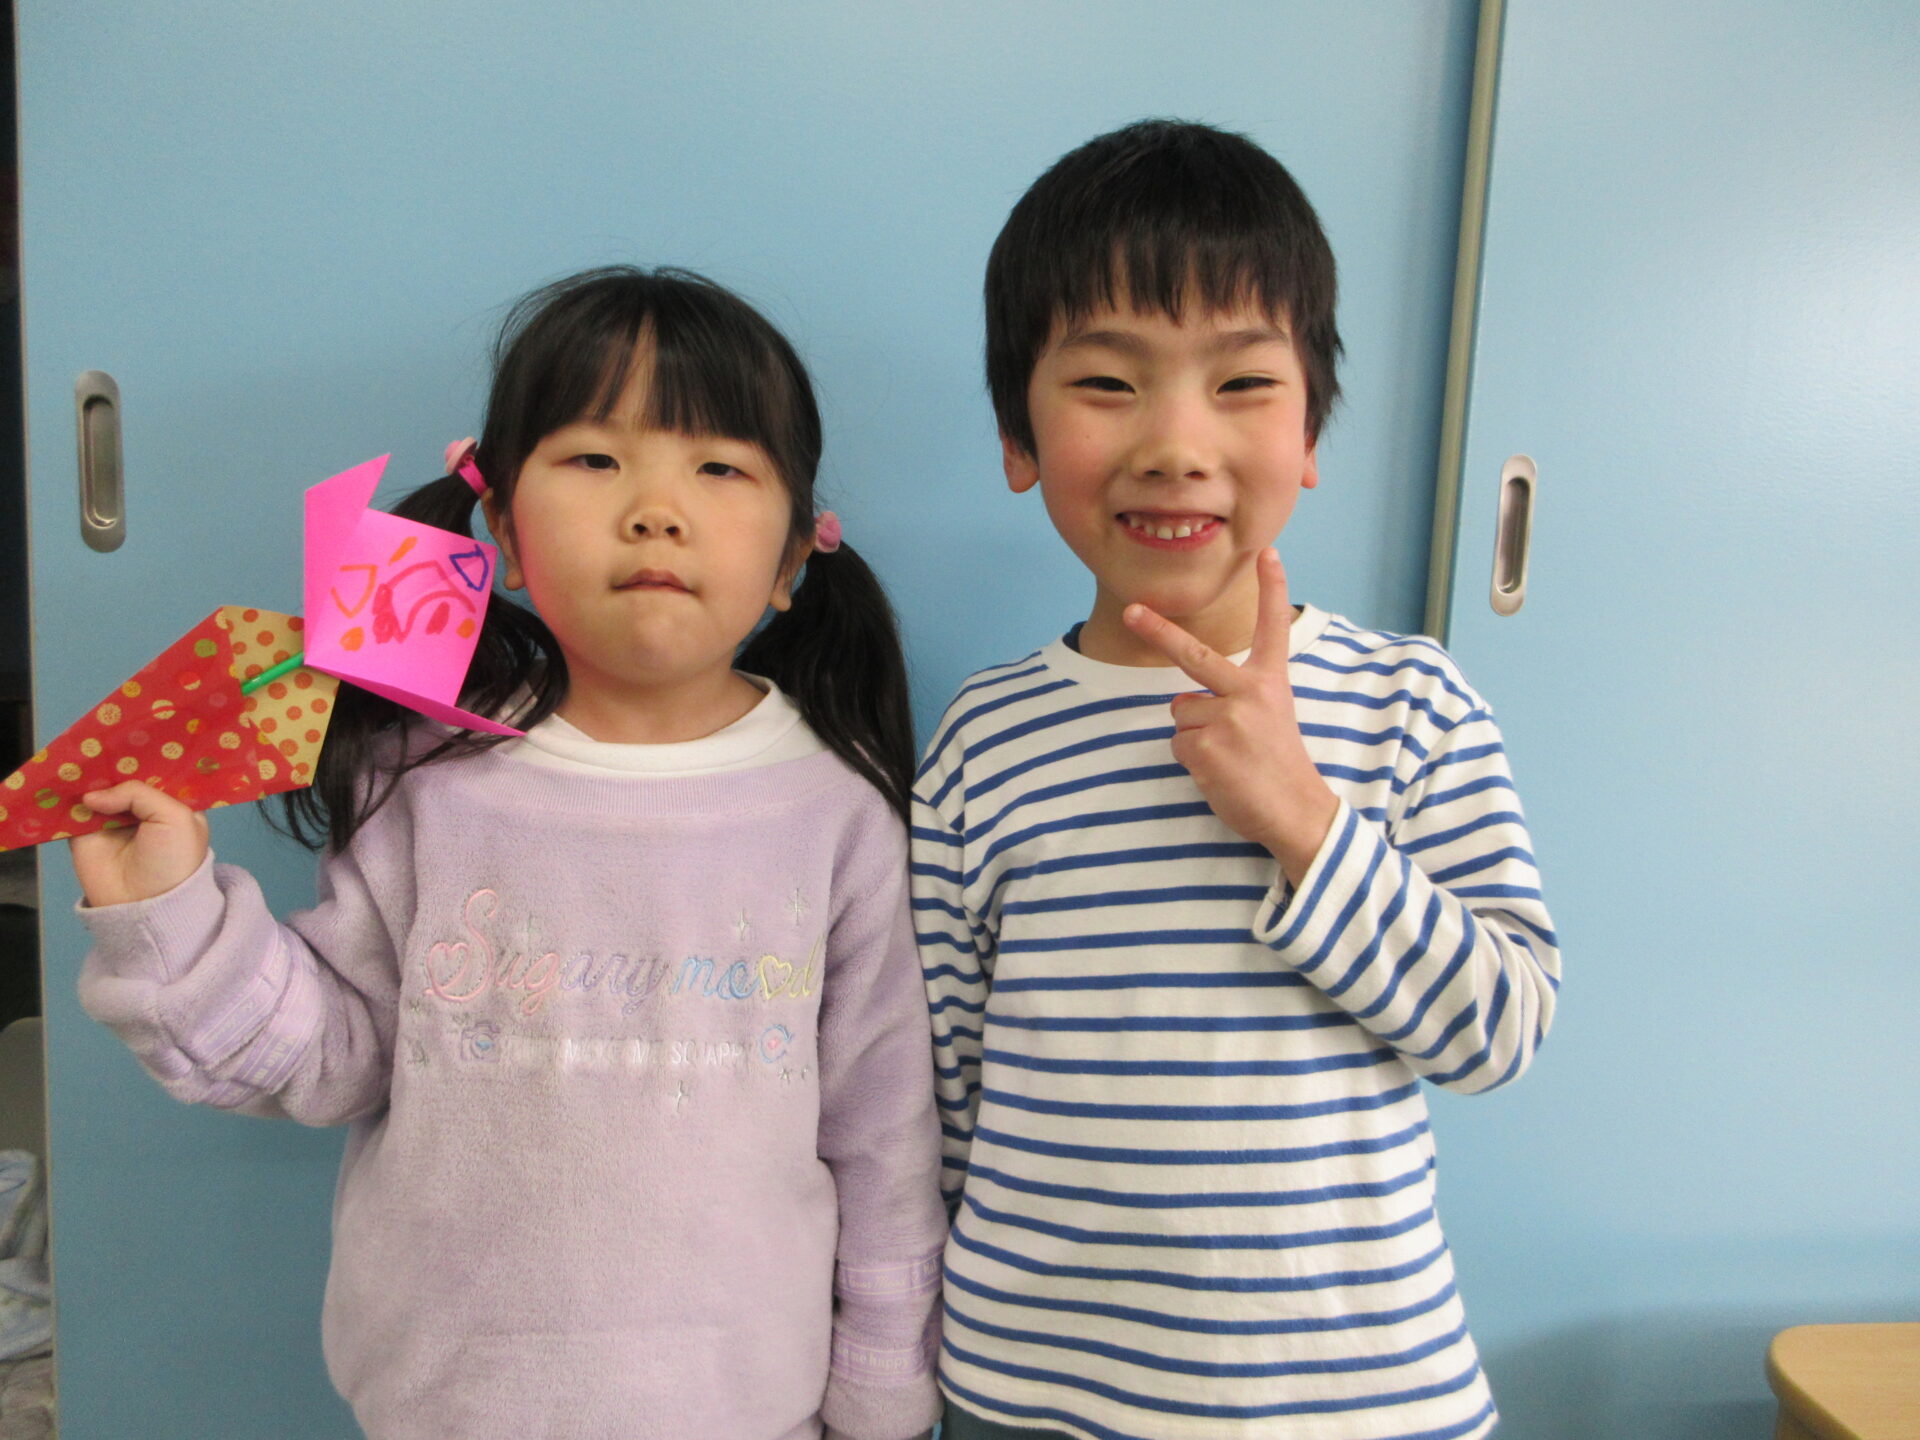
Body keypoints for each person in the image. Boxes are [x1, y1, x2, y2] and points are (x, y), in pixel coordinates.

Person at [69, 267, 945, 1440]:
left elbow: (884, 1142)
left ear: (794, 560)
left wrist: (884, 1394)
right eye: (595, 457)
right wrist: (173, 919)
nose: (655, 508)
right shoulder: (425, 779)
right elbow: (334, 1056)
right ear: (504, 539)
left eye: (720, 467)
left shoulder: (838, 812)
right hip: (445, 1406)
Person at [915, 121, 1561, 1440]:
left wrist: (1307, 823)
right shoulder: (987, 738)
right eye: (1108, 381)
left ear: (1311, 429)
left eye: (1244, 382)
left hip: (1357, 1399)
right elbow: (945, 1086)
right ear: (1018, 435)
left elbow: (1497, 1028)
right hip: (1033, 1390)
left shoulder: (1408, 704)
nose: (1174, 441)